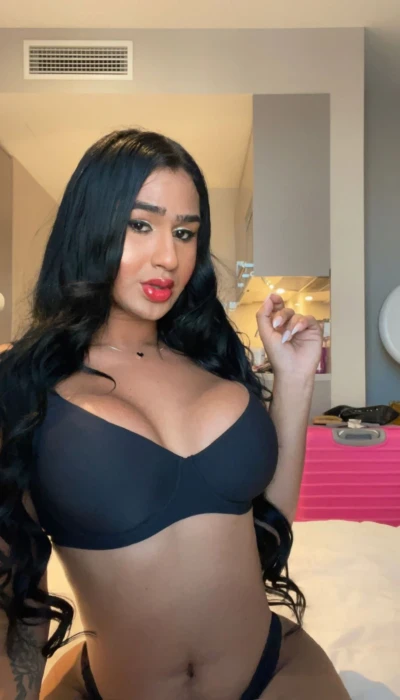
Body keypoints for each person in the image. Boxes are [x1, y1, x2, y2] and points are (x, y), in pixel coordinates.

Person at [0, 129, 350, 700]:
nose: (169, 256)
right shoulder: (23, 385)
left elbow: (267, 525)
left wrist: (294, 379)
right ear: (90, 226)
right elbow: (17, 602)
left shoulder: (215, 361)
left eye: (185, 232)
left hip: (274, 669)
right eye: (141, 225)